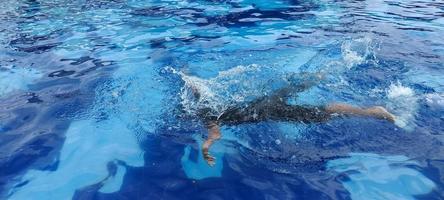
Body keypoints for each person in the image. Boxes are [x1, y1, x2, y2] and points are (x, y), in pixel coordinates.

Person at [185, 73, 395, 166]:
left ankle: (372, 112)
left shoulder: (205, 116)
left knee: (321, 114)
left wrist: (205, 150)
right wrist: (187, 78)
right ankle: (321, 75)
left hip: (271, 111)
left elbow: (215, 134)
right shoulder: (207, 104)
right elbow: (198, 89)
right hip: (265, 101)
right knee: (296, 86)